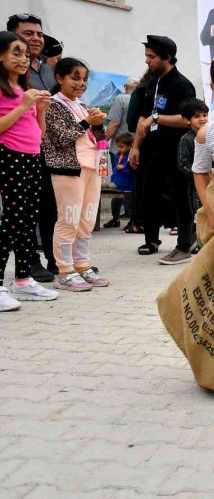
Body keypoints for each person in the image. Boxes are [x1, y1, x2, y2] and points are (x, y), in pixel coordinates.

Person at [0, 32, 58, 309]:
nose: (23, 59)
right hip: (9, 157)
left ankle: (22, 281)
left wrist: (40, 110)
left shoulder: (22, 88)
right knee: (11, 222)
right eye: (15, 52)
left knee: (26, 221)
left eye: (25, 54)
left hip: (32, 157)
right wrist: (24, 104)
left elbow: (39, 133)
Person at [43, 57, 110, 291]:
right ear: (59, 78)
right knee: (68, 219)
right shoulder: (52, 105)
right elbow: (60, 138)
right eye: (75, 78)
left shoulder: (82, 105)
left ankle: (82, 265)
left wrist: (99, 124)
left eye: (84, 79)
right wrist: (86, 122)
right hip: (68, 169)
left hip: (92, 167)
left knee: (87, 220)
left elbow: (99, 140)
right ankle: (65, 269)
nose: (80, 83)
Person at [129, 35, 196, 265]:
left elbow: (187, 119)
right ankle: (151, 239)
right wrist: (135, 146)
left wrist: (156, 118)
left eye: (152, 57)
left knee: (180, 195)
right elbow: (142, 118)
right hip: (151, 149)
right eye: (146, 56)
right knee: (149, 194)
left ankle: (185, 244)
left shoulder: (182, 85)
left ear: (167, 57)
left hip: (175, 150)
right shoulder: (152, 83)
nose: (147, 61)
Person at [177, 99, 209, 253]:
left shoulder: (213, 136)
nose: (202, 119)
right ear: (187, 120)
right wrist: (201, 173)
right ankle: (200, 244)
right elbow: (183, 165)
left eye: (204, 115)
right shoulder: (187, 140)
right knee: (202, 215)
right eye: (197, 116)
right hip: (197, 187)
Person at [107, 133, 135, 230]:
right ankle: (115, 219)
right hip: (117, 184)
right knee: (115, 202)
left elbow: (132, 171)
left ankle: (132, 221)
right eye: (118, 146)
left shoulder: (131, 156)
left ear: (129, 146)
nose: (119, 149)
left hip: (127, 185)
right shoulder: (117, 156)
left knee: (129, 204)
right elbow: (115, 169)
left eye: (121, 147)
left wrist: (123, 168)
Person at [105, 77, 138, 145]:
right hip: (135, 146)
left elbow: (114, 123)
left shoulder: (121, 99)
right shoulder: (144, 100)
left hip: (120, 146)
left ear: (126, 87)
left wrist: (103, 143)